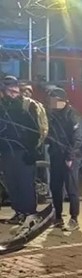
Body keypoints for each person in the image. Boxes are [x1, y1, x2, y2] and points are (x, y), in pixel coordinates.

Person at [0, 75, 43, 229]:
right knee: (12, 184)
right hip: (7, 152)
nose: (12, 92)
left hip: (23, 152)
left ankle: (30, 213)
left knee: (25, 183)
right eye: (9, 90)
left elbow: (35, 130)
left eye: (14, 89)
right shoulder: (2, 107)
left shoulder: (26, 106)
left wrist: (32, 150)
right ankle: (19, 212)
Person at [46, 87, 82, 230]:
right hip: (56, 156)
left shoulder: (73, 115)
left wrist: (70, 157)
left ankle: (74, 219)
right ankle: (58, 217)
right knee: (55, 187)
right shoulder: (52, 115)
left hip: (70, 158)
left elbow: (77, 139)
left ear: (63, 101)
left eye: (54, 101)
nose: (52, 104)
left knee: (71, 188)